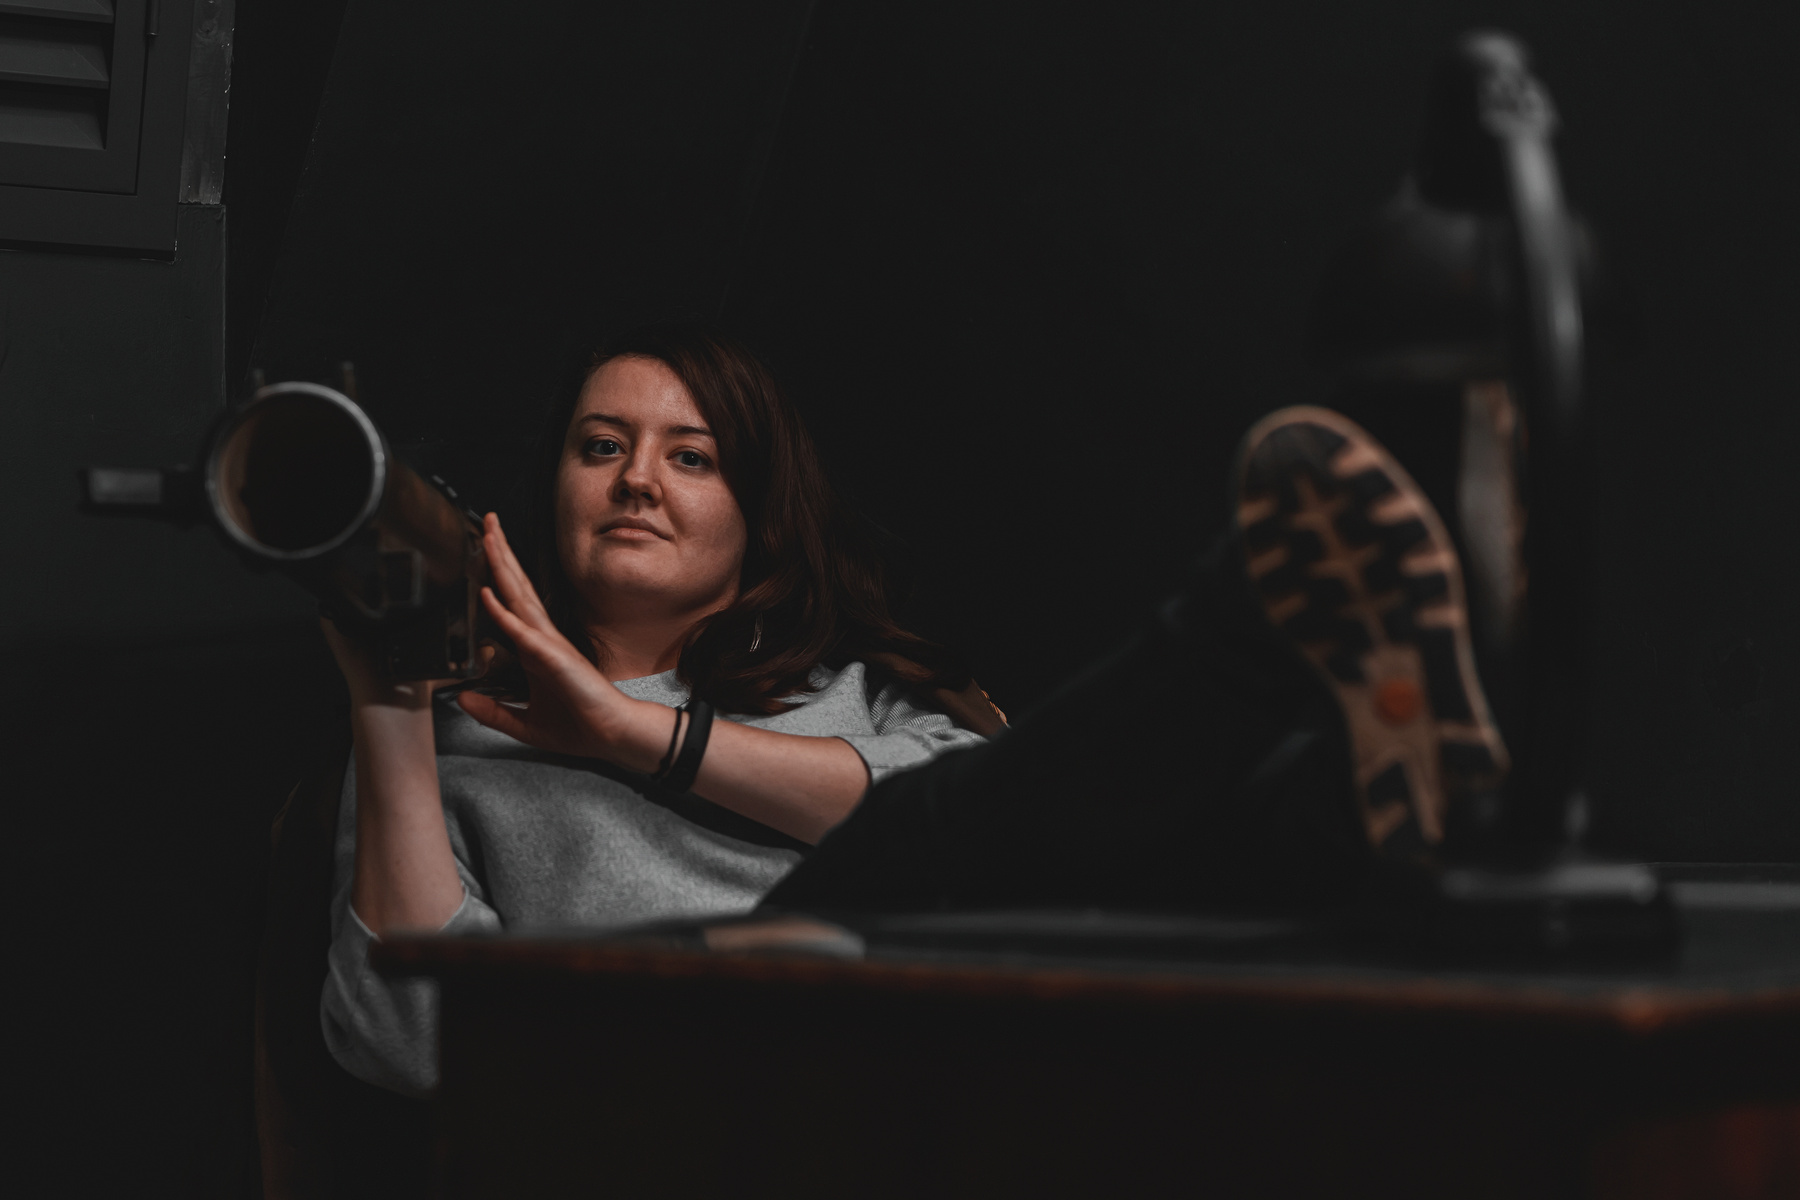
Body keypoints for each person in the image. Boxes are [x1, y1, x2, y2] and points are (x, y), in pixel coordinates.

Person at [321, 326, 999, 1097]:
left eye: (691, 457)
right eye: (603, 447)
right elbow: (406, 1043)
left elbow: (988, 827)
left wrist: (627, 730)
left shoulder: (853, 694)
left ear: (757, 509)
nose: (637, 479)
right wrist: (388, 704)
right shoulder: (453, 732)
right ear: (556, 487)